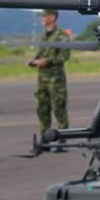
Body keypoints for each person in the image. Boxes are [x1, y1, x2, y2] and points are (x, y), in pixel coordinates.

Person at [28, 8, 70, 136]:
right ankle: (45, 137)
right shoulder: (43, 36)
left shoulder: (62, 36)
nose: (42, 18)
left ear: (52, 17)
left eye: (44, 16)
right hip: (42, 79)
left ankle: (62, 137)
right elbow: (40, 53)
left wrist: (47, 61)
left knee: (59, 108)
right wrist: (34, 60)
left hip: (56, 80)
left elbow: (64, 56)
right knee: (42, 108)